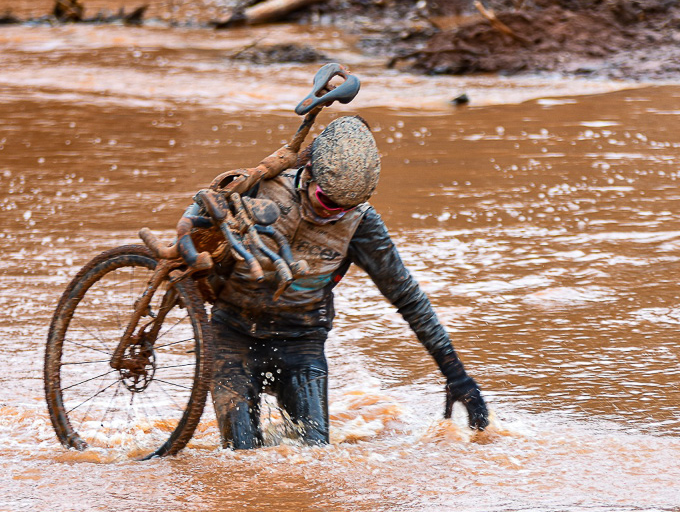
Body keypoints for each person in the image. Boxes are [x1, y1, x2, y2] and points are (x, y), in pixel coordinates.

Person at [206, 115, 489, 449]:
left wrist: (457, 376)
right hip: (232, 336)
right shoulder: (260, 189)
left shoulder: (362, 224)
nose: (332, 214)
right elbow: (195, 245)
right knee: (240, 458)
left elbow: (408, 297)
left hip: (302, 342)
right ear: (308, 172)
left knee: (316, 458)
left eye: (344, 208)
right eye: (327, 201)